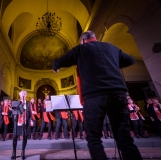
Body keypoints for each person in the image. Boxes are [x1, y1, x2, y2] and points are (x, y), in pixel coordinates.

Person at [52, 30, 142, 160]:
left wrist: (56, 65)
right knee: (124, 138)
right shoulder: (111, 47)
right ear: (95, 37)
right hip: (118, 95)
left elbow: (60, 61)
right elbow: (131, 60)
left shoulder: (81, 49)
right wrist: (112, 62)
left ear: (83, 40)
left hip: (94, 98)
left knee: (94, 138)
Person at [11, 90, 32, 160]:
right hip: (17, 122)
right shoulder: (16, 103)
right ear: (20, 95)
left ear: (26, 96)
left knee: (25, 137)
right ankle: (14, 152)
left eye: (24, 94)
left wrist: (31, 120)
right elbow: (13, 113)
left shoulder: (28, 103)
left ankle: (23, 152)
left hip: (25, 122)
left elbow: (30, 113)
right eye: (22, 94)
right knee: (15, 137)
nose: (23, 95)